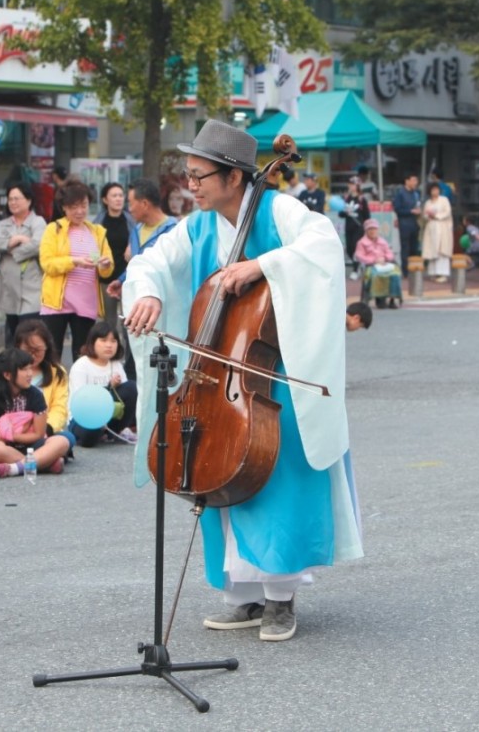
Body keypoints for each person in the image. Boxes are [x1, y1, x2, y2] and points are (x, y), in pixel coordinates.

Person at [123, 118, 362, 643]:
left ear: (234, 177)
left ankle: (280, 599)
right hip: (218, 378)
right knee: (218, 475)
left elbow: (322, 247)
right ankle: (243, 596)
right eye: (187, 174)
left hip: (276, 376)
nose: (191, 185)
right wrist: (148, 293)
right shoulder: (197, 226)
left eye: (199, 175)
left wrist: (265, 266)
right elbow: (152, 262)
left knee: (279, 487)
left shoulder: (280, 210)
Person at [39, 178, 114, 361]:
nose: (80, 211)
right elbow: (47, 263)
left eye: (84, 205)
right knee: (52, 353)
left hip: (86, 302)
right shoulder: (54, 229)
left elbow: (106, 268)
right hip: (58, 302)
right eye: (73, 207)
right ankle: (53, 389)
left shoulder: (97, 231)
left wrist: (105, 265)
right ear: (64, 207)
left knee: (83, 355)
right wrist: (75, 261)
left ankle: (80, 389)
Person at [0, 348, 70, 478]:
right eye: (24, 370)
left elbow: (39, 434)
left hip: (32, 445)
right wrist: (14, 435)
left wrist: (13, 435)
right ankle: (44, 464)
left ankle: (13, 468)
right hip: (5, 448)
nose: (30, 374)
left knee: (62, 441)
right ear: (7, 375)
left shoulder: (35, 395)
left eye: (30, 369)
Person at [0, 181, 46, 346]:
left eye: (17, 198)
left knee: (29, 334)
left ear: (28, 200)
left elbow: (38, 245)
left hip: (31, 286)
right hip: (9, 288)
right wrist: (17, 240)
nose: (13, 203)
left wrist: (10, 250)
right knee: (13, 334)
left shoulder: (38, 222)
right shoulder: (4, 224)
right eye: (10, 199)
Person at [105, 178, 178, 302]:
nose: (129, 209)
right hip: (136, 302)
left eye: (130, 203)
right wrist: (122, 280)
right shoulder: (136, 230)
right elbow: (136, 264)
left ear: (144, 204)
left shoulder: (174, 231)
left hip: (162, 303)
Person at [68, 319, 137, 447]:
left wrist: (113, 388)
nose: (109, 345)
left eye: (113, 341)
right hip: (83, 417)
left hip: (108, 415)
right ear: (92, 342)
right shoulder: (81, 365)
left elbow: (127, 397)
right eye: (104, 340)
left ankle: (116, 431)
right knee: (90, 437)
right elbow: (81, 402)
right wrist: (108, 387)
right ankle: (100, 433)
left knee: (131, 388)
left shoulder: (116, 365)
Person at [14, 319, 73, 449]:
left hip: (44, 432)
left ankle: (17, 461)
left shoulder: (57, 372)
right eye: (28, 350)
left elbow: (59, 408)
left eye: (38, 350)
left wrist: (47, 429)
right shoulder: (6, 369)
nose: (33, 355)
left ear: (47, 347)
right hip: (11, 431)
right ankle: (45, 459)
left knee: (67, 438)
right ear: (17, 347)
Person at [93, 182, 135, 324]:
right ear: (105, 200)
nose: (118, 199)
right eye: (114, 196)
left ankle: (126, 347)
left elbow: (139, 242)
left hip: (127, 276)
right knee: (108, 321)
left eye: (121, 195)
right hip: (106, 277)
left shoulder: (131, 220)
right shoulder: (98, 222)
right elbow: (92, 248)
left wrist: (132, 246)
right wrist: (97, 262)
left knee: (128, 321)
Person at [354, 218, 402, 309]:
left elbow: (389, 253)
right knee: (375, 275)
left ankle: (393, 298)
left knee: (395, 274)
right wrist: (374, 260)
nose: (373, 231)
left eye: (374, 229)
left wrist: (385, 258)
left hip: (384, 264)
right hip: (371, 266)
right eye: (370, 229)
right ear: (366, 231)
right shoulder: (361, 243)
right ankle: (380, 299)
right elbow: (359, 256)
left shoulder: (382, 241)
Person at [422, 181, 454, 283]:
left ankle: (443, 273)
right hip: (431, 227)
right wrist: (428, 216)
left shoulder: (444, 200)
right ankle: (433, 272)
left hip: (442, 226)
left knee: (442, 250)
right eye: (433, 190)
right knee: (432, 249)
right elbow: (424, 215)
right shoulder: (428, 202)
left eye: (436, 189)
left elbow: (447, 212)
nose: (435, 192)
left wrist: (437, 216)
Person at [339, 176, 370, 280]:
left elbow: (366, 215)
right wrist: (345, 212)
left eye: (354, 184)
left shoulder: (362, 199)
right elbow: (341, 213)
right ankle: (358, 264)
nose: (351, 186)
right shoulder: (346, 198)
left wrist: (366, 227)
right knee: (349, 249)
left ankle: (355, 269)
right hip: (348, 226)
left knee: (356, 247)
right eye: (350, 184)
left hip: (358, 227)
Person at [392, 173, 421, 278]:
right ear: (407, 181)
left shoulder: (416, 193)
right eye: (413, 180)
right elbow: (397, 209)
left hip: (415, 223)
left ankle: (414, 269)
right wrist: (410, 211)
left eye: (416, 181)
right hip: (404, 223)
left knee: (415, 248)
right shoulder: (400, 193)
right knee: (405, 248)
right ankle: (405, 271)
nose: (415, 183)